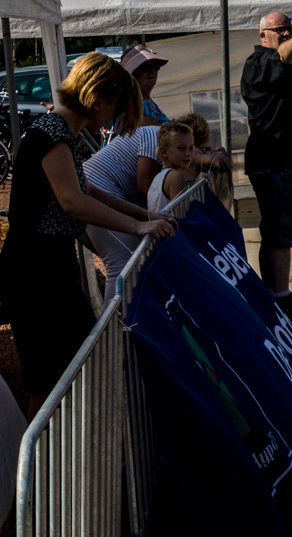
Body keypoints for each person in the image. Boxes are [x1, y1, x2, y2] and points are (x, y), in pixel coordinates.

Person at [0, 53, 176, 417]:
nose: (113, 119)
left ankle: (61, 447)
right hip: (35, 274)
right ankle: (41, 453)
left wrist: (143, 215)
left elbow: (86, 190)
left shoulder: (60, 132)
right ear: (99, 99)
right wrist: (138, 225)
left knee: (74, 362)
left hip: (47, 269)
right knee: (49, 380)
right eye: (116, 109)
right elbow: (73, 201)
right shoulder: (53, 133)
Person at [241, 11, 292, 331]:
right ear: (263, 35)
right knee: (280, 234)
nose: (287, 34)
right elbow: (283, 57)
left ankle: (273, 299)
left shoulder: (270, 63)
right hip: (274, 161)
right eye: (280, 30)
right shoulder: (260, 61)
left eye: (289, 29)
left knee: (275, 233)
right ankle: (281, 302)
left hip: (277, 161)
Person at [82, 120, 161, 301]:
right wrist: (139, 222)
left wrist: (144, 217)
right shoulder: (154, 137)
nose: (189, 155)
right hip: (96, 191)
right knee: (122, 263)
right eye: (184, 149)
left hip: (101, 191)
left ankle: (125, 315)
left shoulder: (157, 136)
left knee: (129, 262)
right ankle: (117, 318)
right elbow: (144, 186)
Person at [147, 121, 195, 214]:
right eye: (181, 148)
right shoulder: (176, 176)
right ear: (164, 152)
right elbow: (183, 215)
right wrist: (198, 181)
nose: (188, 153)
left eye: (191, 148)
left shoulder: (158, 177)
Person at [120, 45, 170, 127]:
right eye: (146, 67)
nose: (153, 71)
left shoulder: (147, 101)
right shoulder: (132, 103)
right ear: (133, 75)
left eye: (155, 66)